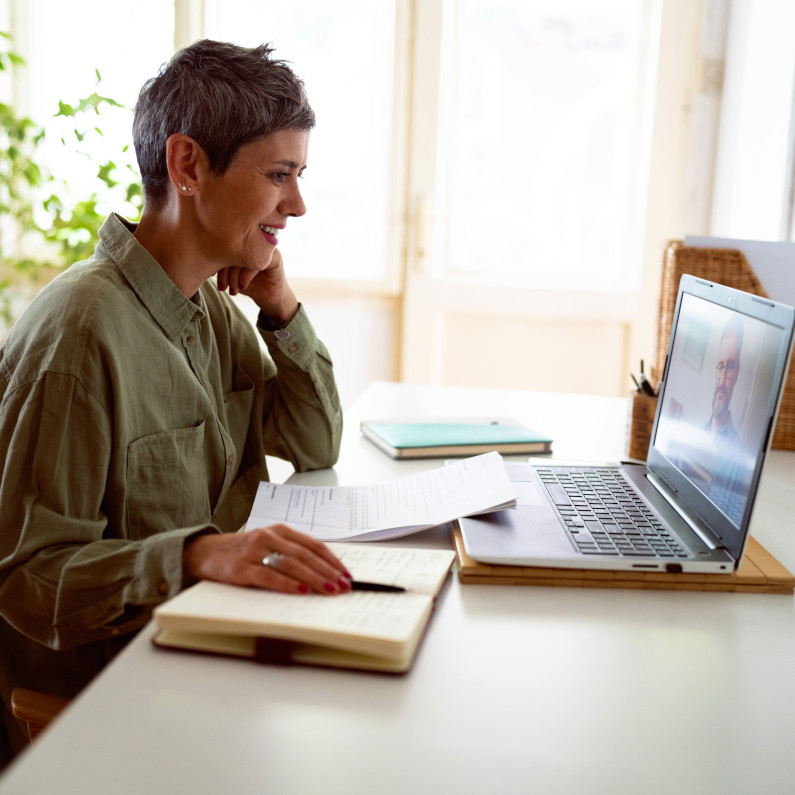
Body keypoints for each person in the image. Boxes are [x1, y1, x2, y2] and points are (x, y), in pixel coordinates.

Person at [0, 39, 351, 768]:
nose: (297, 204)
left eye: (299, 175)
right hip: (115, 704)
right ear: (188, 166)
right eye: (279, 175)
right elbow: (27, 579)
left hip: (206, 650)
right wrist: (195, 554)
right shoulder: (79, 331)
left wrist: (279, 306)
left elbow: (315, 442)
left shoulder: (213, 309)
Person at [701, 314, 747, 524]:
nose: (722, 379)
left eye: (730, 366)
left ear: (736, 372)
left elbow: (729, 523)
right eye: (721, 366)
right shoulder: (696, 434)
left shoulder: (738, 459)